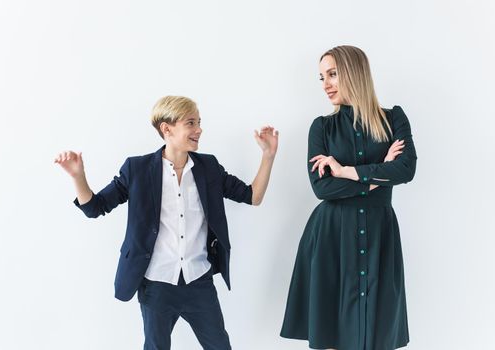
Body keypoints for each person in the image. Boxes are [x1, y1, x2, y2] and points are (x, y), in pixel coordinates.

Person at [55, 95, 278, 349]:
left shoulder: (209, 168)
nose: (199, 129)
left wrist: (268, 155)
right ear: (167, 128)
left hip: (199, 283)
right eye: (191, 123)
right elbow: (95, 208)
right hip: (156, 285)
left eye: (199, 122)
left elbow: (253, 196)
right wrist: (78, 176)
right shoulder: (136, 170)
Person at [280, 45, 417, 350]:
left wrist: (346, 171)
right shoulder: (322, 127)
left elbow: (406, 169)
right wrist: (375, 177)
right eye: (321, 77)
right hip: (331, 234)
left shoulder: (394, 119)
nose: (326, 84)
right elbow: (322, 188)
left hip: (379, 233)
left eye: (332, 74)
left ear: (354, 73)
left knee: (378, 330)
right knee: (330, 330)